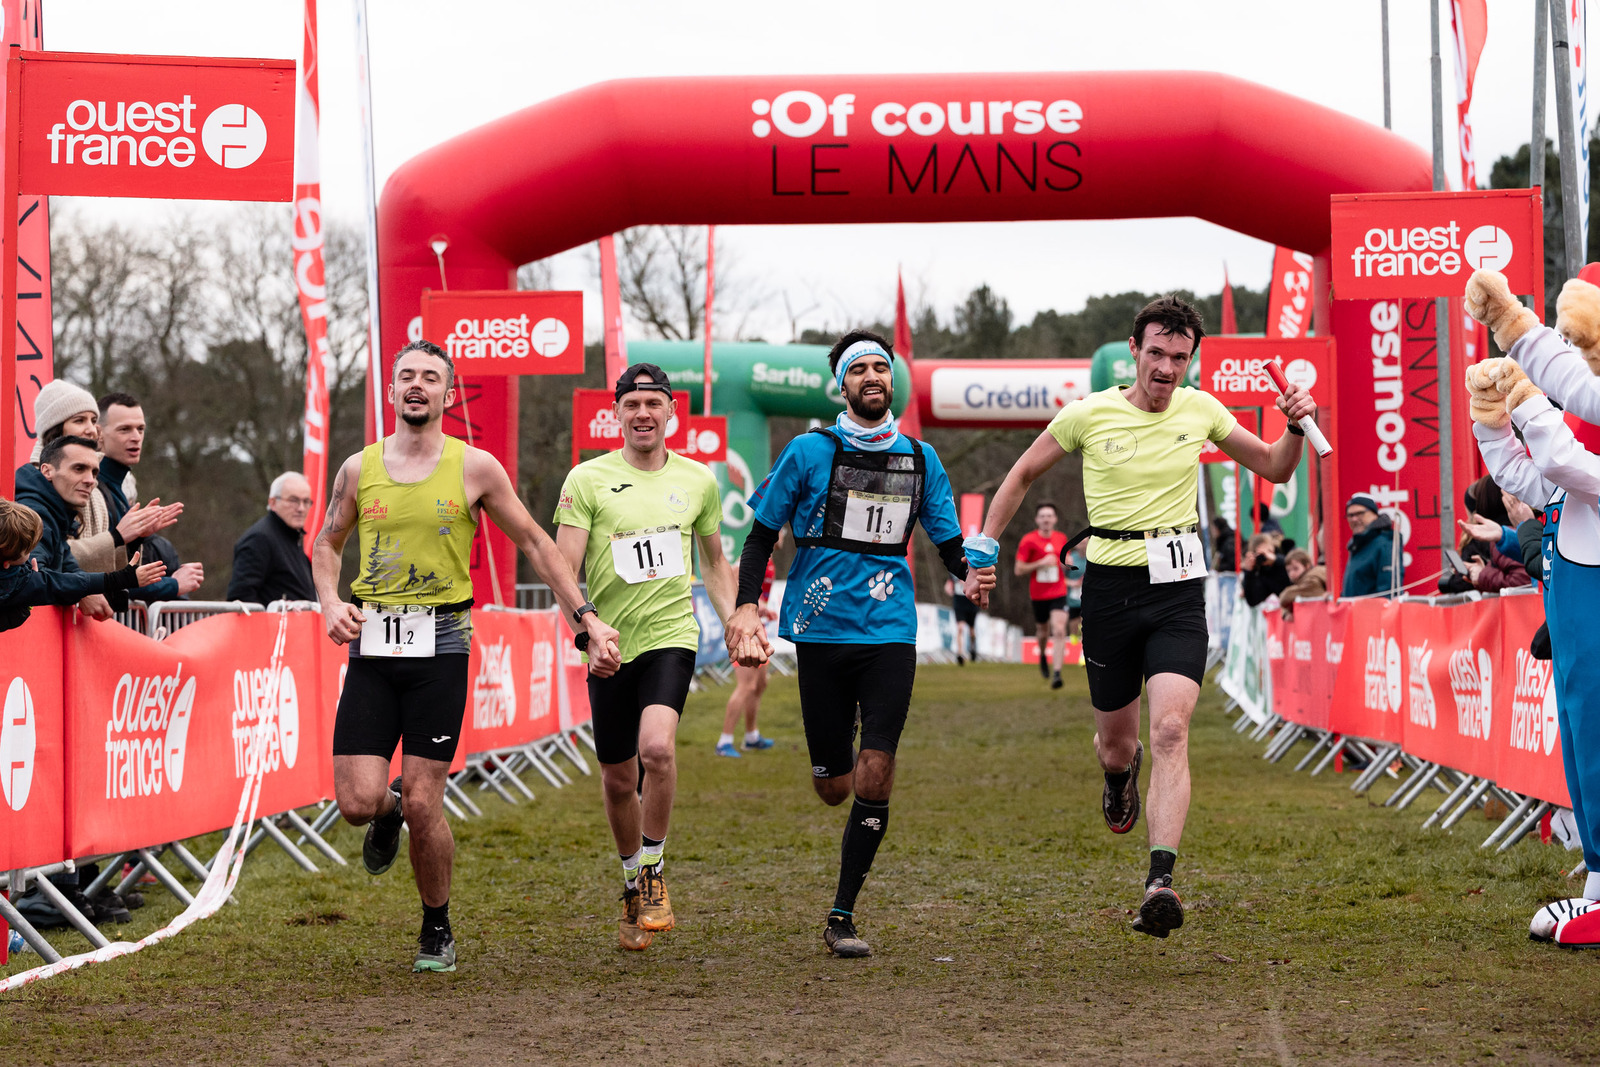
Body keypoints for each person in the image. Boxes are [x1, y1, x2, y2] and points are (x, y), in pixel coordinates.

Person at [970, 294, 1314, 938]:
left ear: (1190, 359)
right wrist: (983, 549)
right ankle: (1117, 776)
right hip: (1109, 591)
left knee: (1173, 731)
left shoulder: (1202, 409)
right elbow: (1019, 476)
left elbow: (1273, 466)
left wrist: (1294, 427)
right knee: (1117, 744)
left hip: (1177, 591)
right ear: (1134, 350)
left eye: (1179, 357)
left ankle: (1161, 881)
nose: (1166, 369)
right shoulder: (1088, 414)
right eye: (1156, 353)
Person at [313, 339, 621, 973]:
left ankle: (437, 926)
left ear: (448, 394)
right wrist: (329, 602)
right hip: (373, 645)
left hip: (442, 646)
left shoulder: (476, 467)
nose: (417, 385)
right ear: (391, 391)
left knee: (426, 801)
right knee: (356, 803)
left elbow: (535, 543)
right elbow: (326, 543)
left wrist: (586, 617)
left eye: (431, 377)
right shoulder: (358, 468)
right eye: (407, 376)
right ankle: (388, 811)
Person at [724, 329, 997, 959]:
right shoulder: (808, 451)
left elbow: (948, 544)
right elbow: (761, 536)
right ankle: (834, 752)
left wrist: (970, 572)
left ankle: (842, 914)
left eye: (881, 366)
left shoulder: (921, 459)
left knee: (877, 768)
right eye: (859, 369)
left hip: (889, 631)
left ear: (891, 380)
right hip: (820, 628)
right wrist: (746, 604)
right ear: (840, 386)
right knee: (834, 786)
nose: (872, 376)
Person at [553, 362, 735, 952]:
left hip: (670, 636)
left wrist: (735, 621)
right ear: (616, 414)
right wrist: (588, 635)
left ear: (671, 413)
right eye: (632, 405)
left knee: (657, 749)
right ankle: (631, 878)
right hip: (609, 644)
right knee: (616, 777)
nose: (643, 414)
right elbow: (563, 571)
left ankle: (653, 870)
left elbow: (714, 563)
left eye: (654, 404)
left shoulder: (698, 481)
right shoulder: (587, 480)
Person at [18, 380, 181, 620]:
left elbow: (64, 557)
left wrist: (135, 537)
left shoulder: (80, 489)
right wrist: (116, 538)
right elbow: (34, 573)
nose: (91, 430)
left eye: (93, 420)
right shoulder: (36, 496)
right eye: (79, 421)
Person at [0, 493, 167, 633]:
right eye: (27, 551)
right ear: (7, 563)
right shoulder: (23, 582)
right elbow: (75, 583)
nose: (31, 554)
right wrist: (124, 578)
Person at [97, 392, 203, 602]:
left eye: (140, 429)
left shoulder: (117, 488)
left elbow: (119, 573)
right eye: (124, 429)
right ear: (98, 433)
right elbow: (99, 578)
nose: (136, 437)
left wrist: (139, 537)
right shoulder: (91, 489)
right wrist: (173, 585)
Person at [717, 528, 784, 757]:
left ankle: (751, 736)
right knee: (746, 685)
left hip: (756, 628)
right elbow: (734, 582)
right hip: (744, 630)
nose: (783, 534)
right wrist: (757, 606)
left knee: (760, 684)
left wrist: (762, 608)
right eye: (781, 529)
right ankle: (724, 742)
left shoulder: (769, 558)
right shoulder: (753, 556)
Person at [226, 471, 317, 605]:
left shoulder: (292, 538)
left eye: (306, 501)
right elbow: (240, 598)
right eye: (293, 500)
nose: (301, 508)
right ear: (273, 502)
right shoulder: (259, 540)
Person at [1016, 501, 1070, 689]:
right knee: (1043, 632)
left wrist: (1067, 563)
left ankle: (1057, 673)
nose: (1046, 519)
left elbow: (1067, 563)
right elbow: (1018, 569)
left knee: (1059, 629)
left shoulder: (1061, 538)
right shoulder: (1028, 540)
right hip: (1038, 594)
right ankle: (1041, 655)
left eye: (1049, 516)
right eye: (1043, 516)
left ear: (1055, 519)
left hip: (1059, 591)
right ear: (1037, 519)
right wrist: (1040, 563)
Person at [1340, 495, 1395, 597]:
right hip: (1354, 607)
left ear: (1374, 514)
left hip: (1374, 607)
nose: (1354, 519)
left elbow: (1388, 592)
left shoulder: (1385, 543)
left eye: (1360, 513)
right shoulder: (1356, 545)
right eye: (1350, 515)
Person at [1240, 533, 1291, 608]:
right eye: (1260, 554)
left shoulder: (1286, 553)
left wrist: (1275, 560)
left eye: (1268, 551)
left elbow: (1293, 578)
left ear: (1273, 548)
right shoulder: (1261, 572)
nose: (1264, 556)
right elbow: (1252, 601)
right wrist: (1249, 573)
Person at [1277, 548, 1325, 618]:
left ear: (1307, 566)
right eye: (1288, 571)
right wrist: (1286, 612)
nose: (1292, 574)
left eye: (1295, 568)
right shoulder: (1308, 577)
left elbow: (1285, 597)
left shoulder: (1311, 579)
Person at [946, 576, 978, 663]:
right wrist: (949, 590)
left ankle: (972, 649)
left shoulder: (973, 569)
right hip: (959, 604)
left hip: (971, 603)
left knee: (971, 630)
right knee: (960, 628)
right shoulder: (953, 573)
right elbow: (948, 585)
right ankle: (960, 654)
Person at [1065, 543, 1086, 643]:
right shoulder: (1070, 559)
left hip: (1087, 597)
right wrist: (1073, 583)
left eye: (1085, 542)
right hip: (1072, 598)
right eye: (1081, 543)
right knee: (1073, 627)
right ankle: (1073, 644)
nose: (1083, 545)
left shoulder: (1093, 558)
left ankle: (1083, 648)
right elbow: (1060, 578)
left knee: (1085, 623)